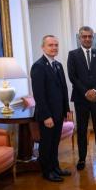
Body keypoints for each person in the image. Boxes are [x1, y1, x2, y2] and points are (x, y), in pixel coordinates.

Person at [67, 26, 96, 170]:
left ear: (93, 38)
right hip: (81, 98)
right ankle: (81, 159)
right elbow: (72, 77)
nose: (87, 39)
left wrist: (94, 90)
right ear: (80, 38)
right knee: (81, 129)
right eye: (84, 36)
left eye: (89, 36)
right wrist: (86, 92)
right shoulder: (73, 55)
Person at [30, 35, 72, 182]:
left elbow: (64, 89)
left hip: (59, 113)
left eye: (56, 45)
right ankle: (47, 172)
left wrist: (67, 109)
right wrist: (46, 116)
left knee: (55, 143)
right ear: (43, 47)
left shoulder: (58, 65)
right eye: (50, 45)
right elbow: (39, 95)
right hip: (47, 115)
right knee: (47, 144)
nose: (54, 48)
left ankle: (56, 168)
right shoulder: (38, 66)